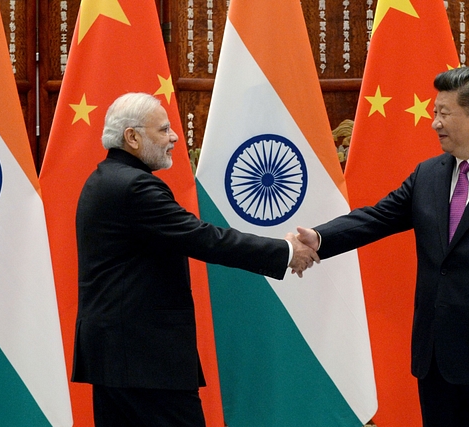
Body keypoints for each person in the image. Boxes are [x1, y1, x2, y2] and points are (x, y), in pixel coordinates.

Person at [297, 67, 469, 427]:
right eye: (435, 112)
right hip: (435, 356)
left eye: (444, 113)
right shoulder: (429, 174)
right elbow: (377, 217)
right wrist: (321, 238)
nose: (435, 122)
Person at [74, 92, 319, 426]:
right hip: (143, 362)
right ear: (131, 137)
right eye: (162, 130)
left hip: (119, 357)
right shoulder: (134, 187)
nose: (174, 137)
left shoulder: (104, 178)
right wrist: (287, 252)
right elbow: (204, 239)